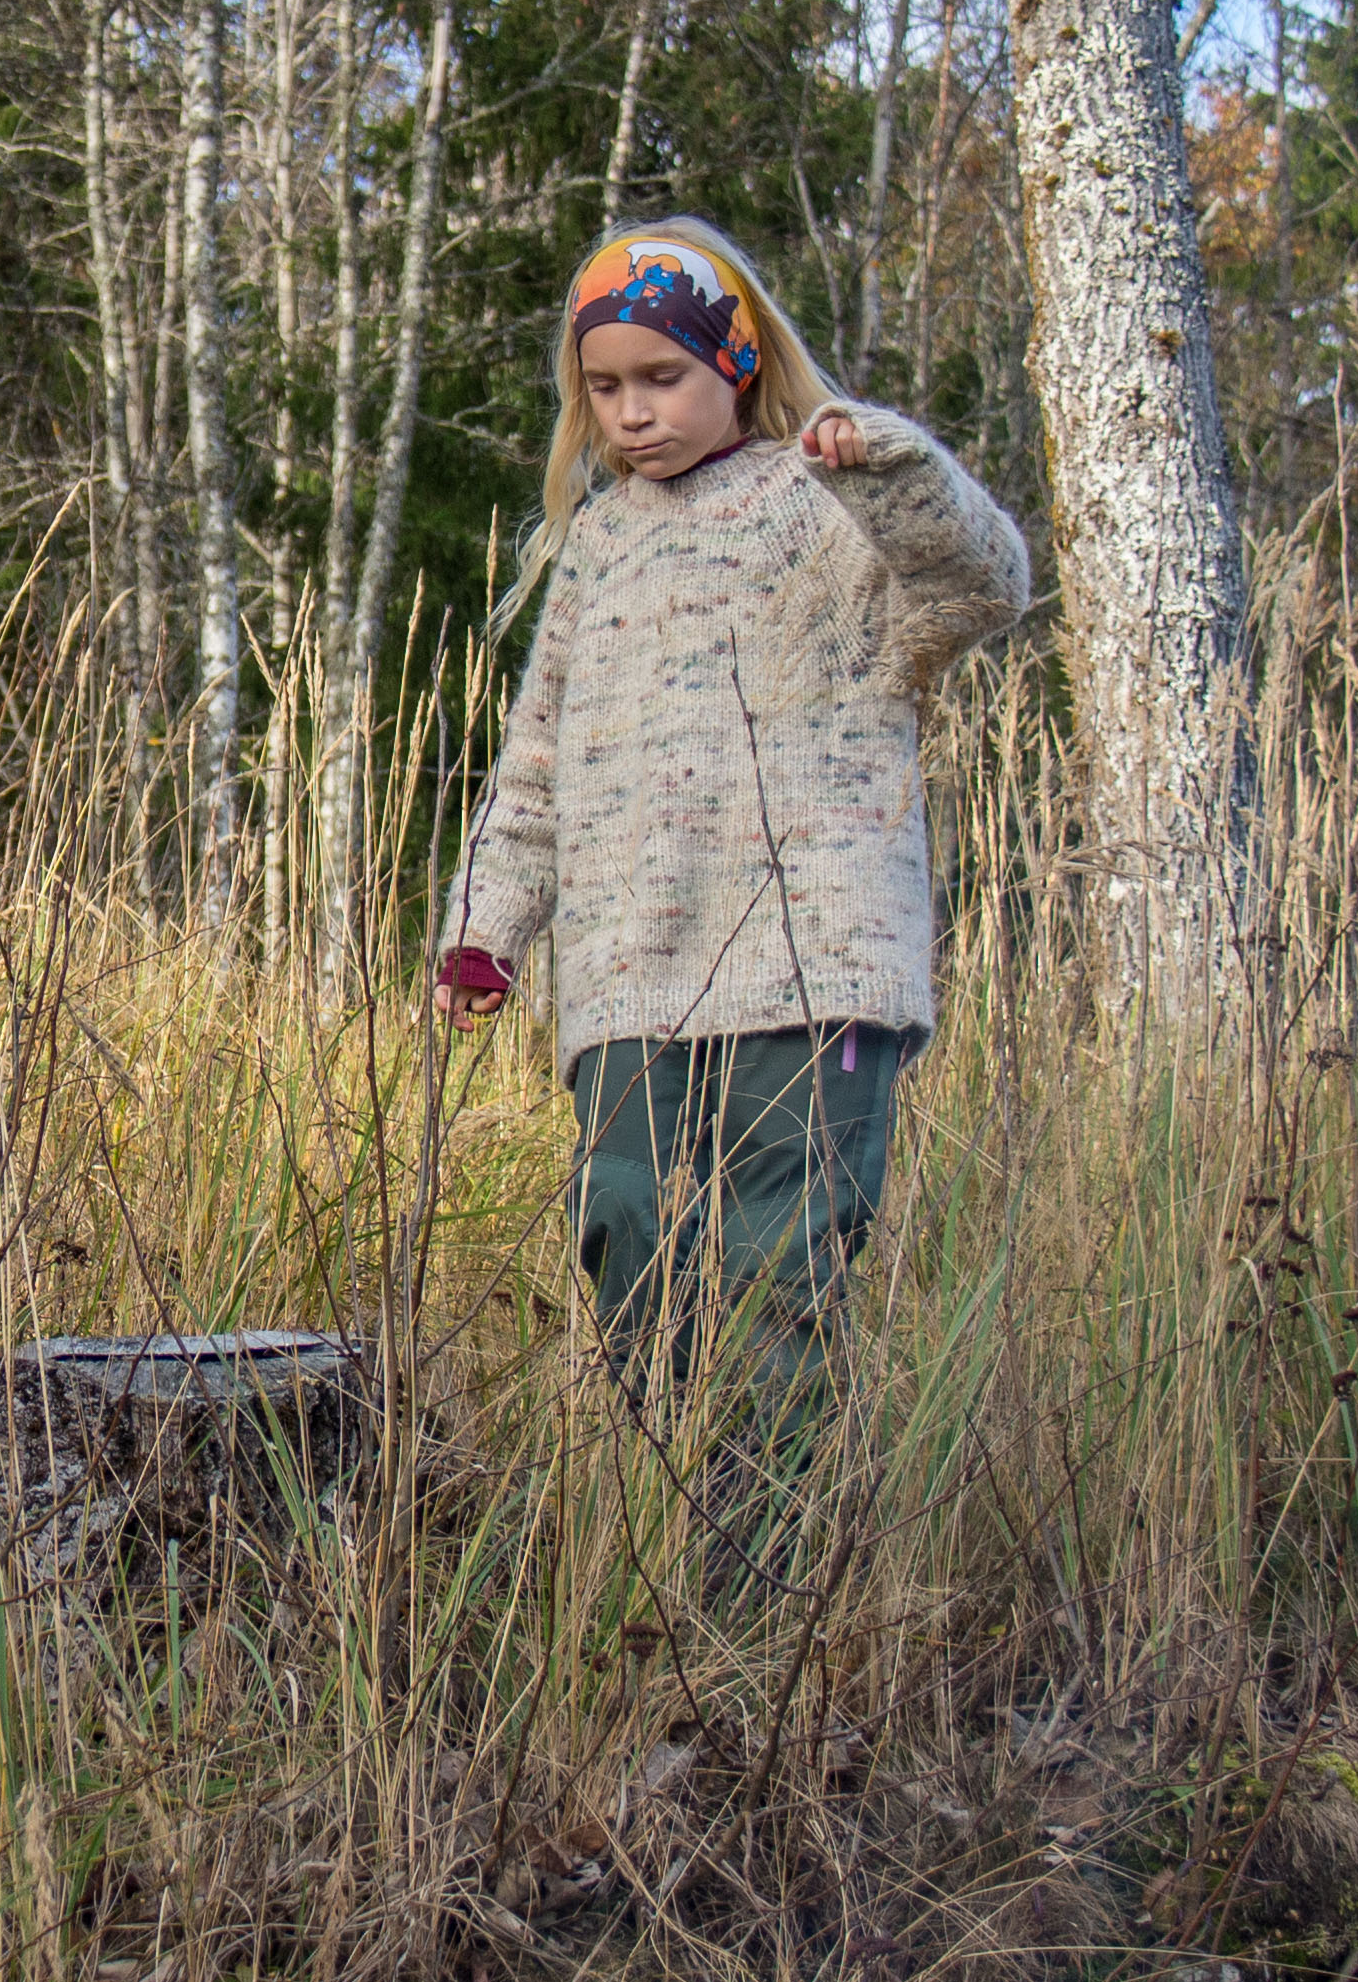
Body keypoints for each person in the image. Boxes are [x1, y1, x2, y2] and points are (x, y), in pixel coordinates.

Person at [430, 219, 1030, 1461]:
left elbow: (987, 586)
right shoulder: (596, 546)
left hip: (819, 969)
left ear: (737, 362)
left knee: (781, 1260)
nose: (633, 413)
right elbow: (536, 760)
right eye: (606, 387)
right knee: (623, 1221)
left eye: (664, 377)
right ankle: (667, 1500)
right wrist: (486, 929)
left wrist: (891, 467)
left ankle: (767, 1557)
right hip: (630, 974)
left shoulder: (828, 502)